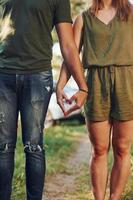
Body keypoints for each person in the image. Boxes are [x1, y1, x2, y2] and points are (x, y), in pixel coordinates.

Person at [0, 0, 88, 199]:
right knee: (3, 146)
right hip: (3, 75)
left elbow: (67, 44)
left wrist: (82, 85)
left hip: (37, 77)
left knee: (34, 146)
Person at [56, 0, 133, 199]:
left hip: (127, 84)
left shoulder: (131, 13)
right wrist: (60, 85)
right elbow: (70, 56)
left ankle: (114, 198)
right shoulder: (83, 19)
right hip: (96, 85)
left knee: (122, 148)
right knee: (99, 149)